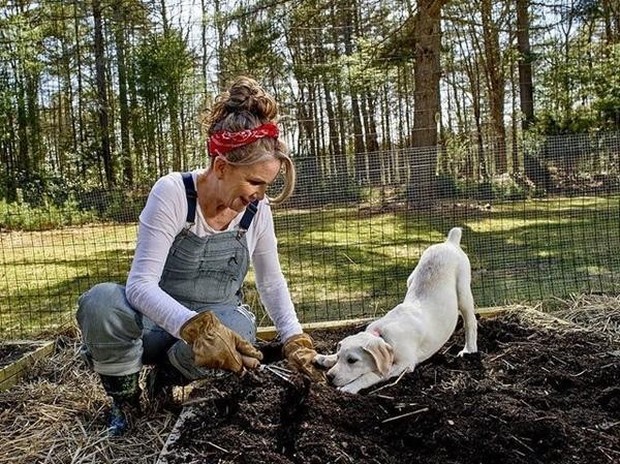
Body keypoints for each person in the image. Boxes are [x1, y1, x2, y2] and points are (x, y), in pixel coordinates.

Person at [76, 76, 324, 436]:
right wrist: (196, 328)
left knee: (240, 329)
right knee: (102, 303)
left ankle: (166, 380)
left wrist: (294, 338)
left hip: (212, 327)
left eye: (266, 186)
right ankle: (125, 404)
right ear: (221, 167)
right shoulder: (174, 193)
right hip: (154, 325)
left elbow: (271, 281)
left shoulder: (258, 211)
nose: (259, 194)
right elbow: (140, 285)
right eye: (254, 182)